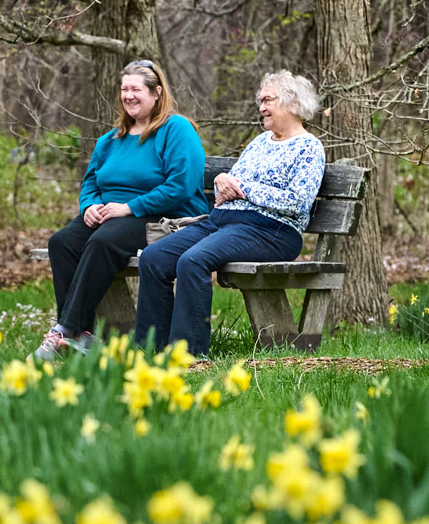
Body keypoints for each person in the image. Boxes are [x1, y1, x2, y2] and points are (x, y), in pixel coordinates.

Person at [133, 70, 326, 358]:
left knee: (193, 260)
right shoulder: (260, 142)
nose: (261, 107)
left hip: (272, 231)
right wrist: (222, 179)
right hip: (223, 222)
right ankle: (149, 350)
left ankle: (188, 355)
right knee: (154, 258)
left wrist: (245, 189)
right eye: (260, 100)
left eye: (268, 100)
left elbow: (298, 202)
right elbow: (232, 183)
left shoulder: (309, 147)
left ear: (293, 104)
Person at [36, 60, 209, 361]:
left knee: (103, 241)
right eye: (124, 89)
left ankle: (65, 329)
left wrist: (129, 207)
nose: (129, 95)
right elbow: (91, 181)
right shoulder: (111, 139)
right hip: (111, 214)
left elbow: (181, 185)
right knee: (61, 243)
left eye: (136, 89)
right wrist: (89, 206)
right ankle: (82, 335)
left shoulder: (176, 129)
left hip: (163, 216)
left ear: (157, 93)